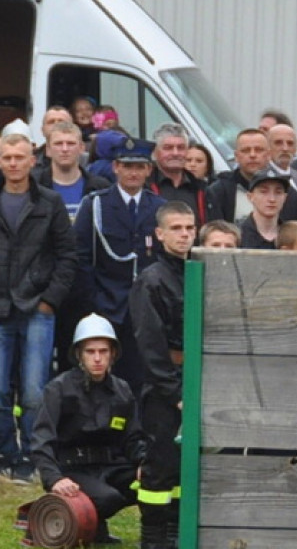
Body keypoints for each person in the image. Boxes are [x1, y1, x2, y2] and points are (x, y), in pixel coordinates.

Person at [0, 131, 78, 484]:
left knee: (34, 390)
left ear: (33, 160)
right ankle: (6, 454)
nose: (13, 163)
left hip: (36, 310)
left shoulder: (50, 202)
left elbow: (67, 256)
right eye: (7, 158)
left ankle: (33, 455)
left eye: (20, 157)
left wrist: (49, 302)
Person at [30, 314, 147, 546]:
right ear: (78, 355)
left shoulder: (122, 390)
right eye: (90, 351)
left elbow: (133, 437)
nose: (97, 358)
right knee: (109, 499)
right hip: (73, 470)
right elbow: (41, 439)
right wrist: (55, 479)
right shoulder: (59, 389)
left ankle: (155, 537)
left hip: (110, 466)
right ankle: (79, 523)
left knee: (155, 479)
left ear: (113, 353)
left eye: (103, 351)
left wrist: (144, 463)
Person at [73, 137, 165, 392]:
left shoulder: (160, 209)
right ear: (115, 168)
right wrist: (94, 301)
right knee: (101, 381)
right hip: (107, 307)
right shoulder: (96, 204)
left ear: (148, 170)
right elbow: (81, 258)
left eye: (139, 167)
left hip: (146, 309)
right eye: (127, 166)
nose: (133, 173)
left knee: (141, 381)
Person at [130, 201, 196, 549]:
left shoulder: (198, 271)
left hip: (197, 379)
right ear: (159, 234)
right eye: (176, 228)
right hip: (166, 386)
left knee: (188, 466)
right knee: (161, 463)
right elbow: (150, 345)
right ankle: (153, 537)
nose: (184, 235)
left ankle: (177, 531)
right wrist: (174, 392)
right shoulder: (152, 280)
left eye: (189, 228)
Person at [207, 128, 297, 225]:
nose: (252, 155)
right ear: (236, 157)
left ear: (269, 155)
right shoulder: (219, 191)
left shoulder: (287, 192)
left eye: (259, 150)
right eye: (246, 150)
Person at [34, 120, 110, 223]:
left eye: (70, 143)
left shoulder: (101, 188)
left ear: (81, 148)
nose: (65, 149)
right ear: (48, 150)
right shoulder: (33, 186)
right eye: (58, 143)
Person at [147, 123, 210, 227]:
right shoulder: (145, 186)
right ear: (155, 152)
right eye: (168, 148)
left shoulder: (202, 189)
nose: (175, 153)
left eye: (181, 148)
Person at [239, 168, 291, 249]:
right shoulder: (238, 235)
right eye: (263, 192)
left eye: (278, 192)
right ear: (250, 197)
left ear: (285, 197)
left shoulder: (292, 235)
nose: (272, 199)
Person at [267, 123, 297, 192]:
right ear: (268, 147)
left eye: (290, 143)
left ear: (295, 148)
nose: (285, 148)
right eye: (278, 143)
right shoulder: (261, 176)